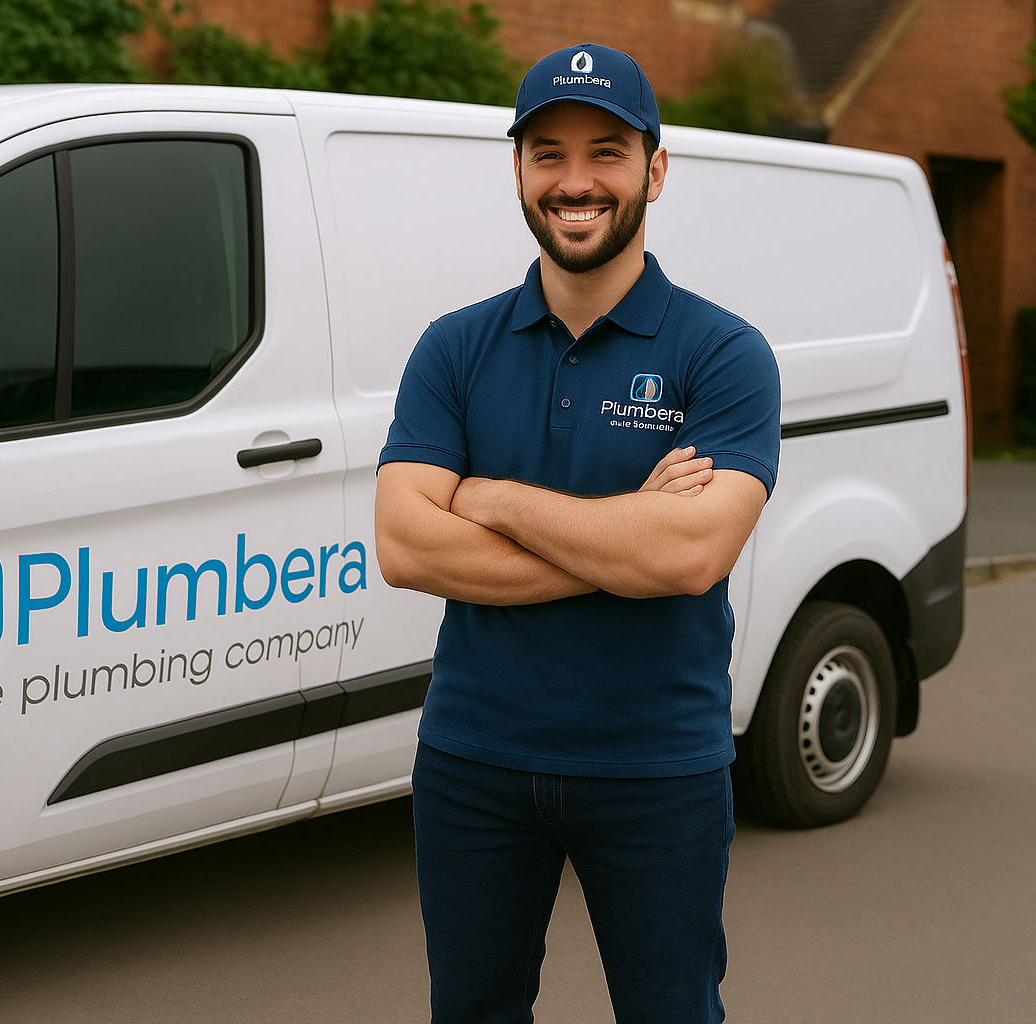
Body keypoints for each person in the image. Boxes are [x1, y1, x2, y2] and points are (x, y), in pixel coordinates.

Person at [373, 43, 782, 1024]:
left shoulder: (722, 352)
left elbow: (689, 554)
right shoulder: (456, 345)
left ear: (655, 168)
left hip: (656, 766)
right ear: (518, 170)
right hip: (474, 759)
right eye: (547, 153)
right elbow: (404, 547)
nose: (576, 180)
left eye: (606, 150)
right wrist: (620, 542)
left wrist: (491, 498)